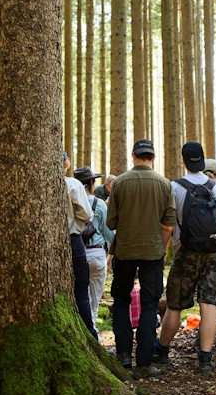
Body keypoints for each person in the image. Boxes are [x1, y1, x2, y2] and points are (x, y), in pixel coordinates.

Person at [157, 142, 216, 376]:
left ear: (184, 161)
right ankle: (206, 359)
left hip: (186, 252)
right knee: (209, 304)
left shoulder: (174, 187)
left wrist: (163, 249)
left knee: (175, 304)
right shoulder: (215, 187)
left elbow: (167, 224)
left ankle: (162, 352)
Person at [107, 139, 176, 376]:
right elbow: (169, 223)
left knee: (121, 300)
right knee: (149, 304)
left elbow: (111, 221)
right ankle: (145, 362)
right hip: (153, 253)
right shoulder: (164, 184)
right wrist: (161, 247)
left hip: (125, 250)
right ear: (152, 157)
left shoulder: (120, 183)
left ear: (133, 155)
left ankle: (124, 356)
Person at [74, 166, 114, 325]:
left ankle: (85, 331)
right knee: (94, 302)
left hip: (77, 254)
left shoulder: (71, 202)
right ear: (91, 183)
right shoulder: (100, 204)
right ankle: (93, 334)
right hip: (97, 255)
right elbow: (108, 233)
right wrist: (113, 253)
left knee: (81, 299)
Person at [64, 152, 97, 338]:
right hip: (73, 239)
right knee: (81, 288)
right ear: (66, 163)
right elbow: (86, 214)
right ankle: (89, 334)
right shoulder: (72, 184)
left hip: (49, 244)